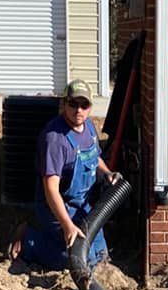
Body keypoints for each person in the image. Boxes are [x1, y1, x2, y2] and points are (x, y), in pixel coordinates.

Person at [17, 78, 120, 269]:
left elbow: (95, 157)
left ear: (89, 107)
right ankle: (29, 240)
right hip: (56, 206)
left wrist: (107, 173)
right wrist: (67, 226)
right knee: (75, 258)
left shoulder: (88, 127)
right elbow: (51, 189)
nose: (78, 110)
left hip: (82, 205)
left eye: (84, 105)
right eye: (73, 104)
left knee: (99, 252)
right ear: (64, 104)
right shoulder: (55, 140)